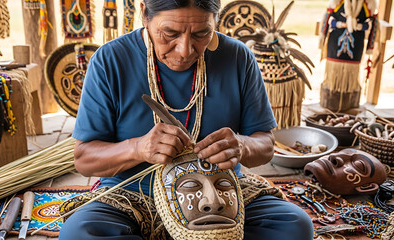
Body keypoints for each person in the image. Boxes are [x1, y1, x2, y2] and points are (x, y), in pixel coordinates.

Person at [59, 0, 313, 239]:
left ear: (215, 21)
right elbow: (85, 160)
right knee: (80, 233)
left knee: (293, 225)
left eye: (202, 33)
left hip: (221, 195)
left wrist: (242, 145)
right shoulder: (110, 60)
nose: (185, 50)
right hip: (132, 196)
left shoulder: (237, 57)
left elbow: (265, 146)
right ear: (144, 14)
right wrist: (137, 148)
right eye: (170, 33)